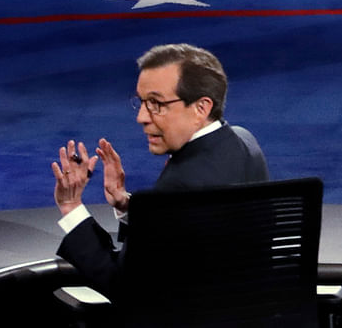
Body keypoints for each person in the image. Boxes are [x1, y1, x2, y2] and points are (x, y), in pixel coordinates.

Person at [51, 43, 270, 293]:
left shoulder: (177, 186)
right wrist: (129, 206)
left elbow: (123, 286)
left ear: (201, 108)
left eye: (156, 104)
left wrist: (71, 206)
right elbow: (188, 237)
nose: (142, 117)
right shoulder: (244, 140)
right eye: (142, 102)